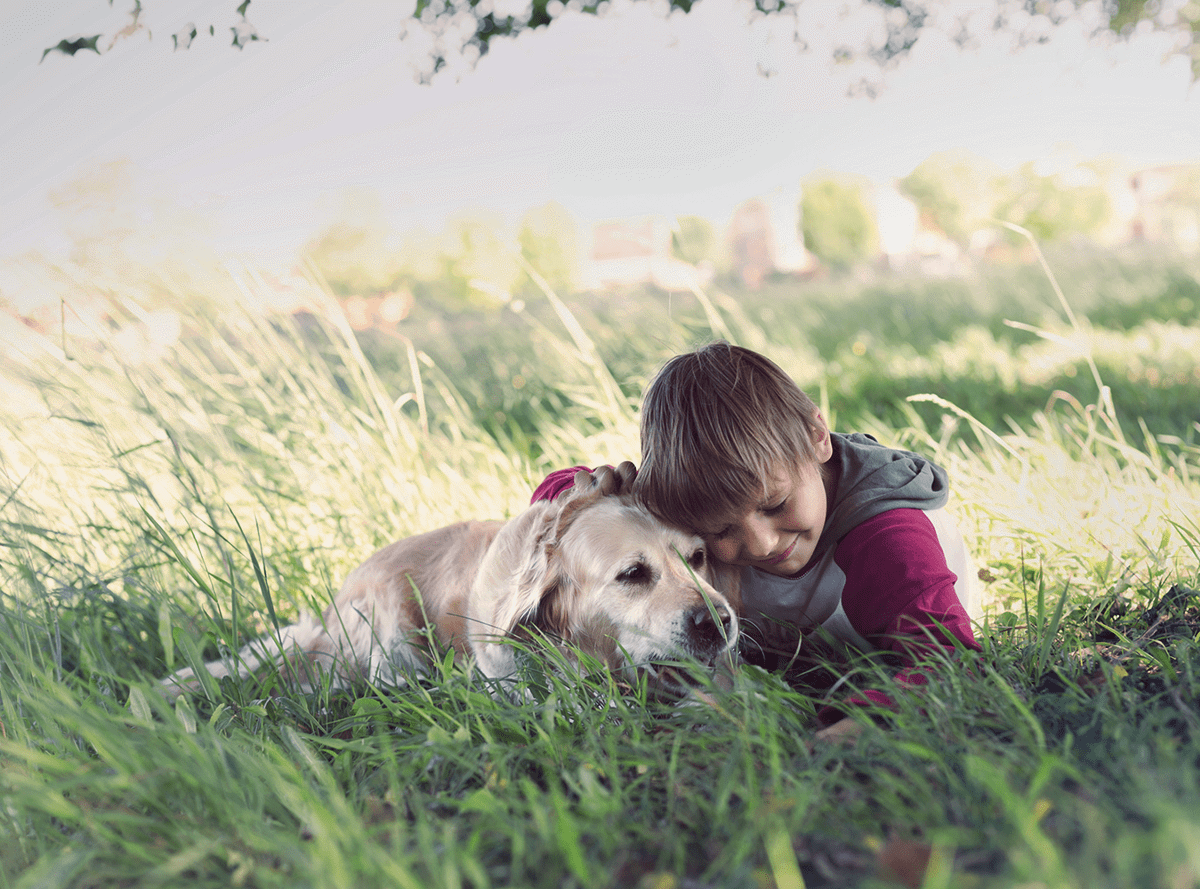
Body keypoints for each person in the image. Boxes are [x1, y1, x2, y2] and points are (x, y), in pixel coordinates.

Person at [532, 341, 981, 731]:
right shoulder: (700, 500)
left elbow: (950, 661)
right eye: (722, 530)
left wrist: (847, 726)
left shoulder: (887, 537)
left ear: (817, 436)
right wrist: (587, 494)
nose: (763, 544)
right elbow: (555, 490)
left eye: (775, 506)